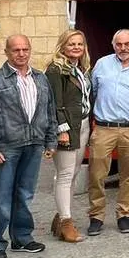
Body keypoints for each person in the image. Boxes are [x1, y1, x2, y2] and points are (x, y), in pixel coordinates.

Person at [0, 35, 56, 258]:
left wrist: (50, 141)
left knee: (25, 194)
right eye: (16, 50)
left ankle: (21, 238)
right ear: (6, 52)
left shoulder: (40, 78)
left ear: (30, 50)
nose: (21, 54)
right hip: (6, 147)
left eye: (25, 49)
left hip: (33, 145)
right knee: (1, 197)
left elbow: (49, 112)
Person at [88, 29, 129, 236]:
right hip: (103, 127)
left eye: (127, 44)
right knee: (97, 174)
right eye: (119, 44)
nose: (123, 48)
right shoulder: (101, 64)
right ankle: (96, 216)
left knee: (128, 175)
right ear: (113, 45)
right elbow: (93, 92)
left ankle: (124, 215)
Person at [45, 30, 92, 243]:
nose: (76, 47)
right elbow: (55, 102)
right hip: (66, 127)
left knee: (72, 174)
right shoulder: (56, 70)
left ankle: (62, 216)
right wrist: (61, 129)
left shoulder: (80, 69)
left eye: (80, 44)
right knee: (64, 174)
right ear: (63, 46)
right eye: (71, 43)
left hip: (82, 124)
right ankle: (66, 221)